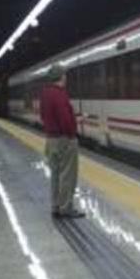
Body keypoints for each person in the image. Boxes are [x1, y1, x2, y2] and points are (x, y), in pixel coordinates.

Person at [39, 67, 83, 218]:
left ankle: (55, 206)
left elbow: (43, 116)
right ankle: (66, 208)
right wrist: (72, 133)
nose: (66, 78)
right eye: (65, 75)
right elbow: (65, 119)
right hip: (64, 140)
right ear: (61, 77)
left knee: (55, 175)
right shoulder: (59, 94)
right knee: (67, 175)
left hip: (50, 139)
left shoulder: (45, 94)